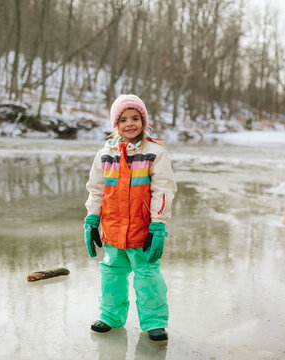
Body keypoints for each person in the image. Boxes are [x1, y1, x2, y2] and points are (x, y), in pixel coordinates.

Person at [84, 94, 178, 341]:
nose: (130, 124)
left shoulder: (155, 153)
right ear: (115, 124)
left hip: (142, 230)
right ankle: (110, 316)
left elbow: (163, 190)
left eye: (135, 118)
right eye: (123, 119)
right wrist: (91, 219)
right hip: (113, 229)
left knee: (148, 277)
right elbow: (97, 189)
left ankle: (154, 322)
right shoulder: (105, 155)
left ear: (143, 121)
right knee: (112, 274)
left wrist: (158, 225)